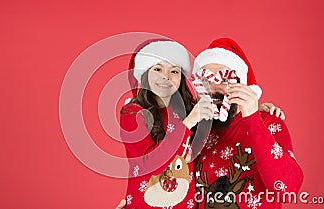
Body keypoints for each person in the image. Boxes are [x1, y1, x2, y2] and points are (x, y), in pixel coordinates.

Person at [118, 38, 289, 209]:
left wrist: (253, 109)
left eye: (174, 71)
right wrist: (189, 122)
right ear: (145, 73)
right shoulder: (134, 112)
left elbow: (287, 186)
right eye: (157, 69)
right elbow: (148, 163)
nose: (166, 77)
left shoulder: (186, 110)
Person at [191, 38, 303, 209]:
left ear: (241, 85)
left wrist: (253, 119)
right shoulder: (193, 130)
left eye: (222, 80)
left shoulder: (269, 123)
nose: (213, 90)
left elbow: (288, 189)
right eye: (206, 81)